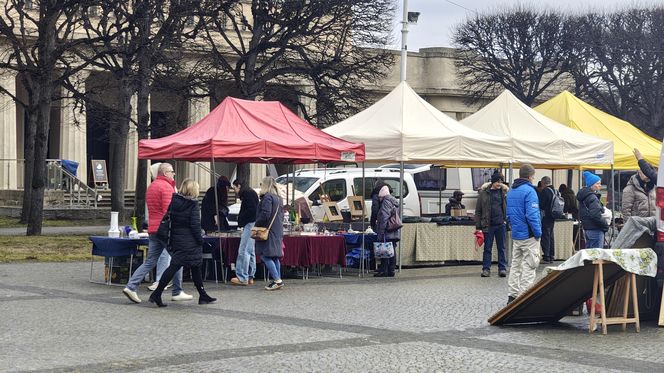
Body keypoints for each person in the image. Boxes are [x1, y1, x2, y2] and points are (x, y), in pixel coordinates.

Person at [122, 163, 192, 304]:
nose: (174, 174)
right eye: (172, 172)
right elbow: (169, 210)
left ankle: (131, 286)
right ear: (165, 173)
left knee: (150, 261)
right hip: (165, 229)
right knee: (178, 258)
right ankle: (177, 291)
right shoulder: (166, 187)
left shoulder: (152, 186)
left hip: (153, 229)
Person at [148, 179, 217, 307]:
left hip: (177, 239)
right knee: (174, 267)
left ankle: (203, 295)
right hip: (189, 242)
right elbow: (195, 226)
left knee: (195, 267)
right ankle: (156, 294)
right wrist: (200, 240)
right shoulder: (193, 205)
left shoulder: (174, 201)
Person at [506, 164, 542, 304]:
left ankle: (512, 295)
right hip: (529, 235)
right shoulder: (530, 191)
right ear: (529, 176)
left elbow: (508, 214)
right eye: (533, 175)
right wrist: (538, 233)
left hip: (517, 234)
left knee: (516, 265)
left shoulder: (511, 191)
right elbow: (532, 215)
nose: (534, 178)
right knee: (530, 265)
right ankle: (523, 298)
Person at [476, 171, 508, 278]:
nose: (499, 184)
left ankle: (502, 269)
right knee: (487, 248)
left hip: (500, 224)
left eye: (501, 181)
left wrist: (505, 220)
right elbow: (478, 211)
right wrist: (478, 227)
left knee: (502, 248)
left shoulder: (503, 193)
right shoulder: (484, 193)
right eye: (497, 181)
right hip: (488, 225)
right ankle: (486, 269)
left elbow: (507, 207)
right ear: (493, 181)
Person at [255, 176, 285, 291]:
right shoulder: (278, 198)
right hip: (277, 230)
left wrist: (257, 223)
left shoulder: (267, 197)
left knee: (265, 255)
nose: (260, 186)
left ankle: (277, 280)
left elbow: (265, 214)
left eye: (261, 184)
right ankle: (278, 279)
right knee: (275, 256)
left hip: (267, 230)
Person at [230, 179, 259, 286]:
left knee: (244, 250)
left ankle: (242, 276)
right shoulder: (250, 192)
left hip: (250, 223)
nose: (235, 191)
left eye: (234, 188)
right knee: (250, 251)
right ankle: (250, 275)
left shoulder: (247, 193)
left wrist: (241, 218)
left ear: (239, 186)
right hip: (253, 223)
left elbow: (251, 210)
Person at [374, 185, 401, 277]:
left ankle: (384, 270)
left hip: (387, 230)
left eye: (380, 197)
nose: (379, 199)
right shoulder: (394, 201)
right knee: (392, 249)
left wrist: (381, 231)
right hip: (394, 229)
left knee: (384, 249)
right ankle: (391, 269)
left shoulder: (386, 202)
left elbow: (384, 217)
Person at [578, 171, 609, 249]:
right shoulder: (592, 197)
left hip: (588, 228)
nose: (600, 185)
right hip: (595, 228)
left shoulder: (585, 196)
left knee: (590, 254)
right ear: (591, 185)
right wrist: (605, 225)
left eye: (600, 183)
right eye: (597, 183)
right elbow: (595, 215)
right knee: (596, 256)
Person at [538, 176, 556, 264]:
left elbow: (541, 204)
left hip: (546, 217)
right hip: (553, 216)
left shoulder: (545, 191)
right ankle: (551, 255)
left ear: (542, 182)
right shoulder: (555, 190)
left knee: (545, 236)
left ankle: (546, 257)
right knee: (551, 236)